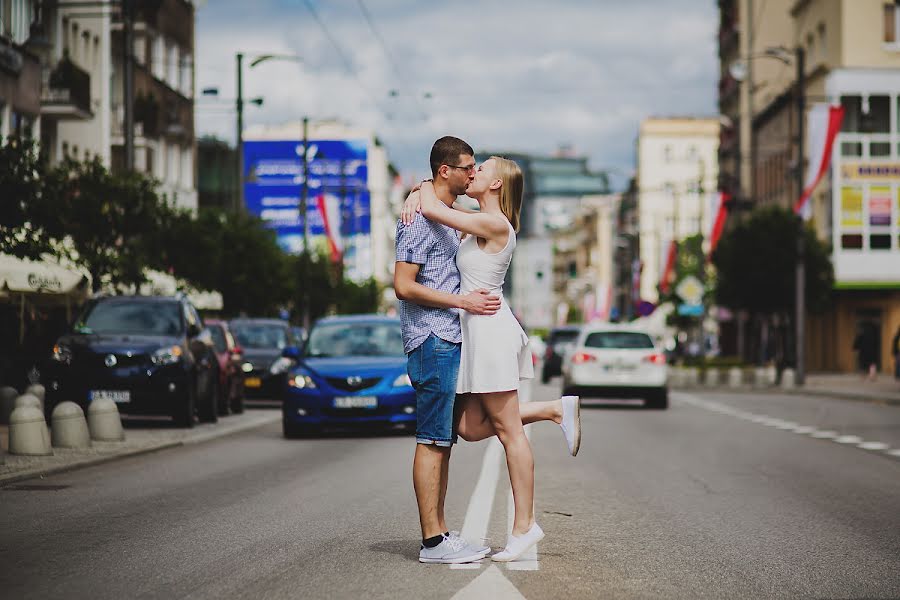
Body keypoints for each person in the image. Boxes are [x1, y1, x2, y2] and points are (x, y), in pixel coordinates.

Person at [402, 147, 581, 563]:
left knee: (508, 432)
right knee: (468, 425)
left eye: (479, 169)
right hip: (475, 333)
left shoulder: (491, 222)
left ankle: (524, 526)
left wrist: (420, 191)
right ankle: (555, 409)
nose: (472, 173)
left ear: (496, 183)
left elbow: (435, 208)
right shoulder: (479, 223)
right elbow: (434, 206)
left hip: (490, 332)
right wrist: (420, 192)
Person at [394, 136, 501, 565]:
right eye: (467, 167)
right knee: (432, 440)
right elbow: (403, 285)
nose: (473, 173)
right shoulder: (418, 220)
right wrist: (463, 302)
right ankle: (432, 541)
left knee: (445, 440)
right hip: (431, 339)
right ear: (446, 171)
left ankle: (439, 533)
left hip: (448, 339)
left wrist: (417, 188)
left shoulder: (444, 212)